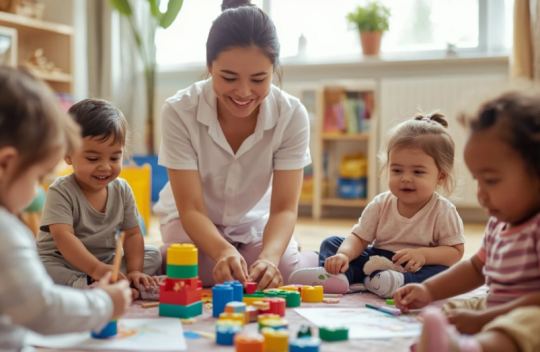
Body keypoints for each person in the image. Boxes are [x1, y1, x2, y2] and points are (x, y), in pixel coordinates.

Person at [153, 0, 317, 289]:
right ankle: (163, 256)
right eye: (228, 77)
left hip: (253, 220)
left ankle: (289, 252)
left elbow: (283, 209)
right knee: (201, 272)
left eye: (259, 79)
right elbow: (191, 208)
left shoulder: (292, 115)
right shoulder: (178, 111)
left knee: (281, 272)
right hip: (189, 218)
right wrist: (222, 251)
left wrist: (270, 256)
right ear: (209, 66)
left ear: (274, 70)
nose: (243, 92)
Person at [395, 91, 540, 352]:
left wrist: (485, 319)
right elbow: (475, 268)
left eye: (492, 180)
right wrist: (428, 290)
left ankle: (472, 348)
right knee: (451, 309)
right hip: (495, 306)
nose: (481, 194)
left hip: (527, 313)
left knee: (530, 322)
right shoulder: (499, 222)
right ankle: (440, 341)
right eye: (478, 181)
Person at [0, 66, 131, 350]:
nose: (37, 190)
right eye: (37, 178)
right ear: (6, 164)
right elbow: (44, 311)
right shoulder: (6, 233)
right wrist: (105, 303)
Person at [290, 113, 465, 297]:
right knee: (332, 242)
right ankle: (338, 275)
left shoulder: (443, 211)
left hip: (415, 267)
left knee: (446, 273)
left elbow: (455, 252)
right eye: (397, 170)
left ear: (441, 176)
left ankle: (400, 283)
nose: (405, 178)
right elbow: (359, 237)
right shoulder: (381, 203)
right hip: (376, 260)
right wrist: (344, 255)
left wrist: (423, 255)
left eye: (418, 172)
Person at [37, 99, 161, 299]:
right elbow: (63, 237)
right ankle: (86, 286)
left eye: (114, 158)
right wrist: (95, 269)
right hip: (63, 260)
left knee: (153, 254)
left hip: (105, 260)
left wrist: (135, 270)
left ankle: (122, 280)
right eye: (93, 159)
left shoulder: (122, 190)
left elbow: (132, 234)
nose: (105, 167)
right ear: (68, 155)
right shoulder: (60, 191)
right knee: (42, 267)